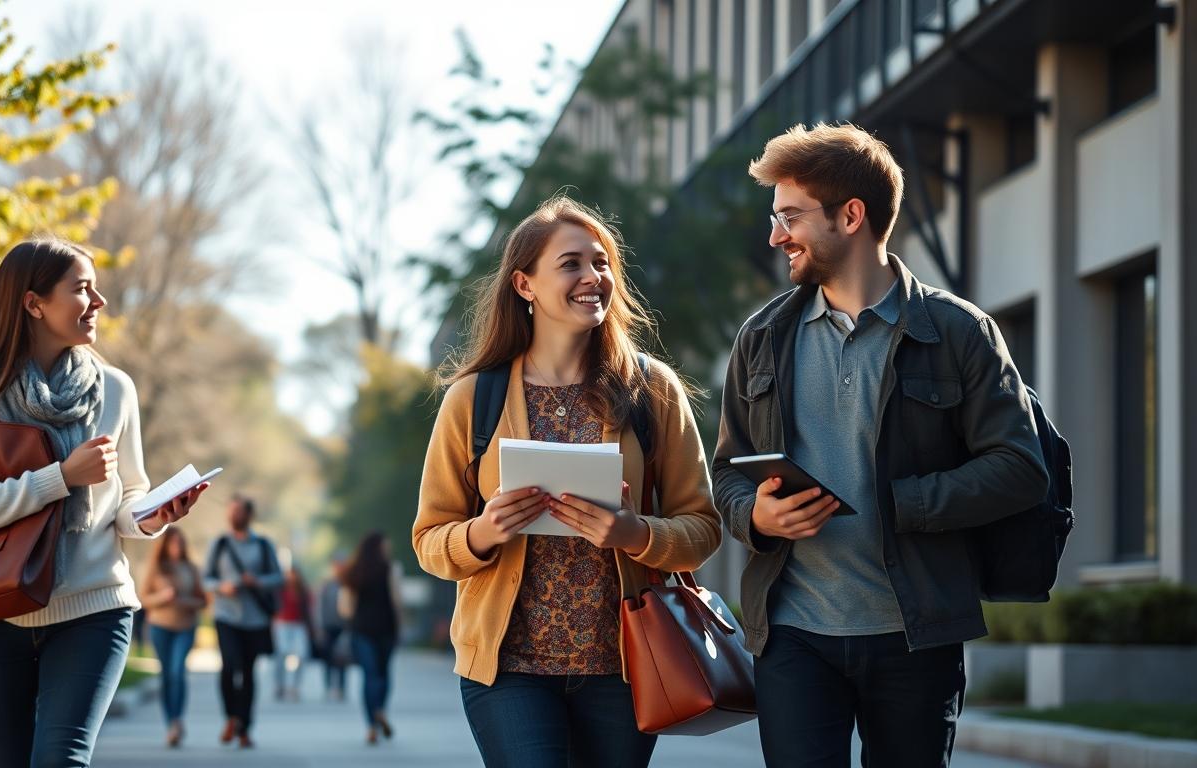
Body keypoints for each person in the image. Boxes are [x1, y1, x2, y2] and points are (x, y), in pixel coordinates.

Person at [711, 123, 1049, 767]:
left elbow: (1019, 467)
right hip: (793, 635)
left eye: (790, 217)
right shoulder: (760, 337)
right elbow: (726, 471)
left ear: (852, 215)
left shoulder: (957, 331)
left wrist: (904, 502)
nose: (775, 235)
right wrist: (753, 513)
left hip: (915, 635)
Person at [412, 196, 723, 767]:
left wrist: (634, 533)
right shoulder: (472, 399)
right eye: (571, 264)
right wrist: (482, 532)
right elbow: (430, 539)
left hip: (625, 669)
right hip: (508, 672)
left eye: (602, 262)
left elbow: (703, 527)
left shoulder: (653, 390)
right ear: (524, 285)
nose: (593, 277)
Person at [0, 238, 207, 767]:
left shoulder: (117, 390)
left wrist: (153, 516)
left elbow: (127, 498)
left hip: (94, 610)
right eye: (82, 289)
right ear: (33, 303)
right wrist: (60, 477)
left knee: (61, 761)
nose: (99, 300)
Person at [203, 495, 283, 748]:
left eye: (238, 511)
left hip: (255, 619)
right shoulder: (220, 544)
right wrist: (221, 587)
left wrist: (257, 582)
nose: (233, 515)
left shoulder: (263, 545)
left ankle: (245, 728)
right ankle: (231, 718)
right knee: (229, 667)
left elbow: (279, 577)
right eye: (231, 511)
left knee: (248, 673)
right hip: (226, 616)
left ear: (249, 515)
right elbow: (206, 579)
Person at [140, 527, 208, 747]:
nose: (177, 547)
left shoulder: (191, 568)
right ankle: (170, 723)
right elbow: (143, 599)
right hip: (160, 627)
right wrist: (163, 597)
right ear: (165, 545)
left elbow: (203, 602)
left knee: (178, 672)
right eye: (173, 543)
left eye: (180, 543)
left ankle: (178, 720)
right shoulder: (156, 568)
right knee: (167, 676)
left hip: (185, 627)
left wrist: (182, 601)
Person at [338, 531, 403, 745]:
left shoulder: (353, 572)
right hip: (386, 629)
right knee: (383, 674)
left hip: (362, 630)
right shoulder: (391, 570)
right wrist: (399, 627)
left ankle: (371, 724)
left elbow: (345, 607)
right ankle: (380, 711)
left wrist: (354, 617)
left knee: (370, 674)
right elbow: (397, 602)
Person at [271, 559, 314, 701]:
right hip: (282, 624)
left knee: (301, 655)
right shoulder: (279, 590)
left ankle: (294, 686)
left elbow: (309, 610)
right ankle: (280, 685)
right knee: (280, 656)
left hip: (298, 625)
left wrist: (313, 628)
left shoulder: (303, 591)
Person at [315, 553, 349, 701]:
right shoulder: (327, 584)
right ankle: (328, 686)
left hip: (344, 626)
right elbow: (320, 606)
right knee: (328, 658)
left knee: (342, 657)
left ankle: (341, 688)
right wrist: (320, 626)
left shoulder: (349, 583)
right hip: (328, 626)